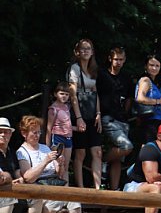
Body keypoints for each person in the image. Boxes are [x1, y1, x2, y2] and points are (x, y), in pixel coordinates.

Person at [17, 115, 89, 213]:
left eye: (39, 132)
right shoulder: (22, 151)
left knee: (73, 197)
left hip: (53, 182)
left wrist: (60, 164)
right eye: (34, 132)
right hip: (37, 186)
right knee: (55, 198)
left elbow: (59, 174)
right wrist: (45, 161)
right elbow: (28, 176)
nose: (37, 135)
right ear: (24, 133)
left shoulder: (45, 148)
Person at [67, 38, 103, 189]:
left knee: (97, 151)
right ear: (77, 52)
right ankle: (81, 188)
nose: (86, 51)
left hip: (92, 114)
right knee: (80, 152)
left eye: (89, 48)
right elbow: (72, 94)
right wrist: (79, 118)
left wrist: (99, 114)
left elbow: (96, 94)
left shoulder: (93, 69)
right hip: (79, 114)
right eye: (83, 48)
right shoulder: (74, 68)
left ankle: (97, 187)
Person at [96, 46, 134, 190]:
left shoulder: (126, 77)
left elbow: (130, 97)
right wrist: (98, 114)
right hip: (107, 117)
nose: (118, 62)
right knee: (126, 147)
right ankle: (103, 161)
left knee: (118, 158)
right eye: (116, 59)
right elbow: (95, 95)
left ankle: (115, 189)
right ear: (110, 59)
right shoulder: (102, 74)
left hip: (123, 119)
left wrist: (126, 112)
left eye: (121, 59)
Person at [134, 54, 161, 142]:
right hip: (149, 121)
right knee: (148, 148)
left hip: (155, 121)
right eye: (151, 65)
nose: (154, 68)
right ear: (146, 66)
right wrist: (159, 101)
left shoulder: (153, 83)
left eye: (157, 66)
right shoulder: (146, 80)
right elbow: (140, 98)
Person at [0, 117, 23, 213]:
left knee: (37, 198)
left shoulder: (11, 151)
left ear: (10, 134)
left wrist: (20, 179)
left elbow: (17, 171)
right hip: (4, 191)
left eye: (6, 131)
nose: (3, 134)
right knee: (10, 197)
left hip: (10, 188)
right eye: (0, 131)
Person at [45, 81, 73, 182]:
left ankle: (66, 190)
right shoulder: (53, 109)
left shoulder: (67, 107)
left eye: (66, 94)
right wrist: (47, 145)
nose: (64, 96)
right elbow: (49, 128)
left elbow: (67, 124)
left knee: (66, 165)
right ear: (55, 94)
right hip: (57, 137)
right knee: (58, 164)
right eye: (62, 93)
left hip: (68, 137)